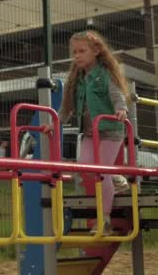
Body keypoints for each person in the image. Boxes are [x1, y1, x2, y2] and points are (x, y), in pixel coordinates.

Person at [42, 30, 130, 236]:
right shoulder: (77, 78)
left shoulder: (105, 73)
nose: (77, 56)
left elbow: (117, 95)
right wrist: (55, 124)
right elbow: (67, 107)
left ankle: (105, 222)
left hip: (110, 130)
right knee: (86, 166)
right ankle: (117, 178)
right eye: (74, 52)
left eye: (82, 51)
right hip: (90, 132)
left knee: (101, 171)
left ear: (97, 51)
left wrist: (121, 109)